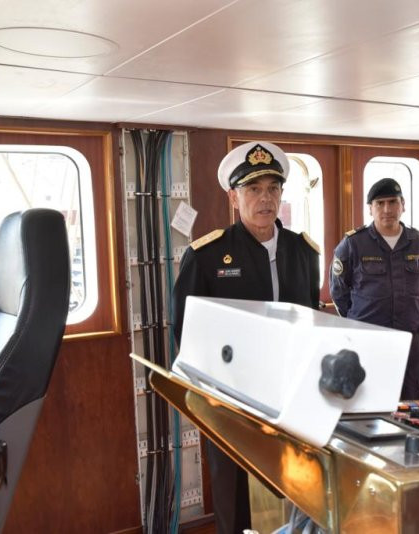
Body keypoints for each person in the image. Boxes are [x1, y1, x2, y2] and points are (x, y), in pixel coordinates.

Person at [172, 141, 320, 534]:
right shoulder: (206, 255)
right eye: (253, 189)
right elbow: (184, 333)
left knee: (301, 494)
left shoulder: (304, 253)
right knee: (235, 502)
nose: (265, 199)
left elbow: (312, 325)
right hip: (231, 404)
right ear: (234, 196)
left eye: (273, 188)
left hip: (291, 403)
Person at [329, 178, 419, 400]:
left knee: (411, 405)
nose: (387, 209)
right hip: (367, 341)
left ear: (403, 205)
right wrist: (359, 320)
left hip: (407, 341)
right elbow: (338, 291)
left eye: (393, 202)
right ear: (370, 209)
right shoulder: (353, 244)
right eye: (380, 203)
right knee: (368, 401)